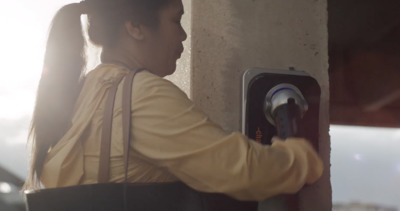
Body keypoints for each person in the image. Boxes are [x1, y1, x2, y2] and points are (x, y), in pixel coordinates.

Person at [25, 0, 323, 203]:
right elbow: (243, 170)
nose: (182, 35)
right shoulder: (140, 96)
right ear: (135, 27)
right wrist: (300, 154)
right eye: (175, 20)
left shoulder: (82, 93)